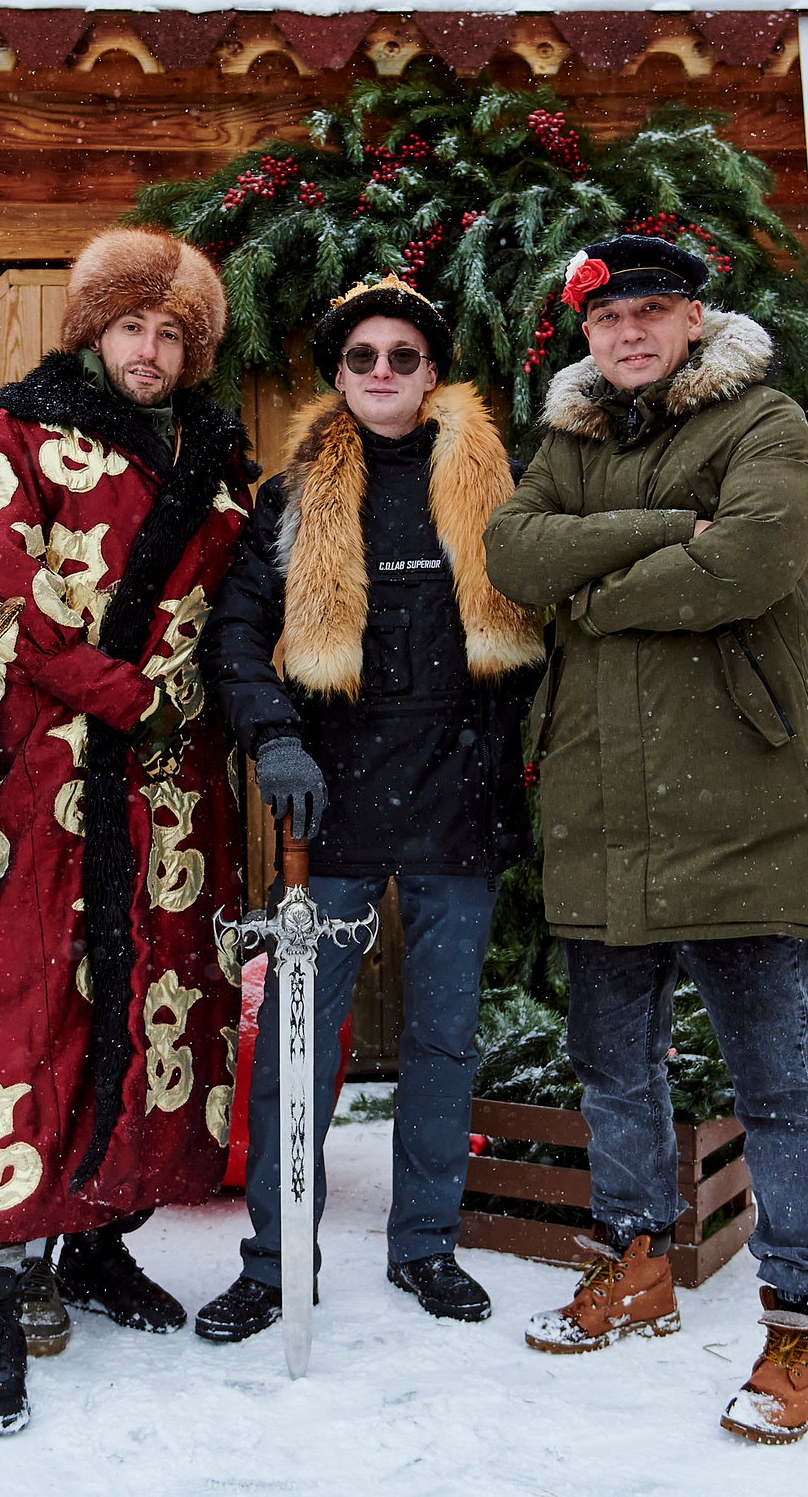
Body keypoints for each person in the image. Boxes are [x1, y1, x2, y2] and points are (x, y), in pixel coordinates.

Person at [481, 235, 808, 1444]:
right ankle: (635, 1260)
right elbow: (515, 553)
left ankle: (801, 1322)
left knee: (779, 1084)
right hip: (600, 807)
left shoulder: (764, 422)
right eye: (606, 318)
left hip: (735, 807)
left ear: (693, 321)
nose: (628, 333)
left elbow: (747, 557)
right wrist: (657, 532)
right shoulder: (569, 437)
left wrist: (600, 592)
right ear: (584, 335)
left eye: (651, 312)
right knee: (612, 1063)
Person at [0, 228, 256, 1434]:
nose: (152, 351)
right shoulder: (10, 436)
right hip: (56, 777)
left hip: (175, 790)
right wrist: (114, 691)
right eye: (133, 327)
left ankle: (100, 1243)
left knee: (166, 1010)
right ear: (92, 331)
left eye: (173, 335)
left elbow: (238, 612)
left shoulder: (219, 463)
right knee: (25, 1016)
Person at [192, 276, 542, 1341]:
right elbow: (237, 636)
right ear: (337, 378)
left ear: (432, 371)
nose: (382, 373)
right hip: (328, 802)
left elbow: (554, 634)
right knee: (298, 1036)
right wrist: (275, 737)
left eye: (402, 356)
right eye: (361, 359)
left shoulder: (502, 486)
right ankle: (272, 1255)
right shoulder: (291, 498)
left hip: (458, 796)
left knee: (439, 1040)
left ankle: (424, 1246)